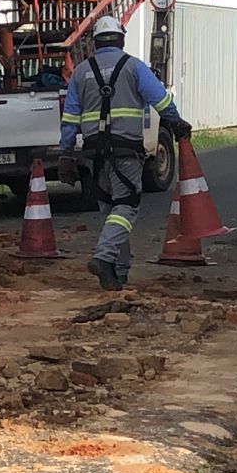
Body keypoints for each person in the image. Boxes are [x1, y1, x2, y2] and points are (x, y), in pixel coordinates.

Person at [59, 16, 191, 291]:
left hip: (94, 153)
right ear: (120, 39)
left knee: (111, 211)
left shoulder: (81, 72)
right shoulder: (133, 67)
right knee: (127, 206)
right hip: (125, 151)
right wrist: (176, 122)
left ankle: (117, 272)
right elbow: (160, 99)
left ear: (95, 42)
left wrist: (66, 153)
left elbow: (70, 118)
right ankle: (103, 258)